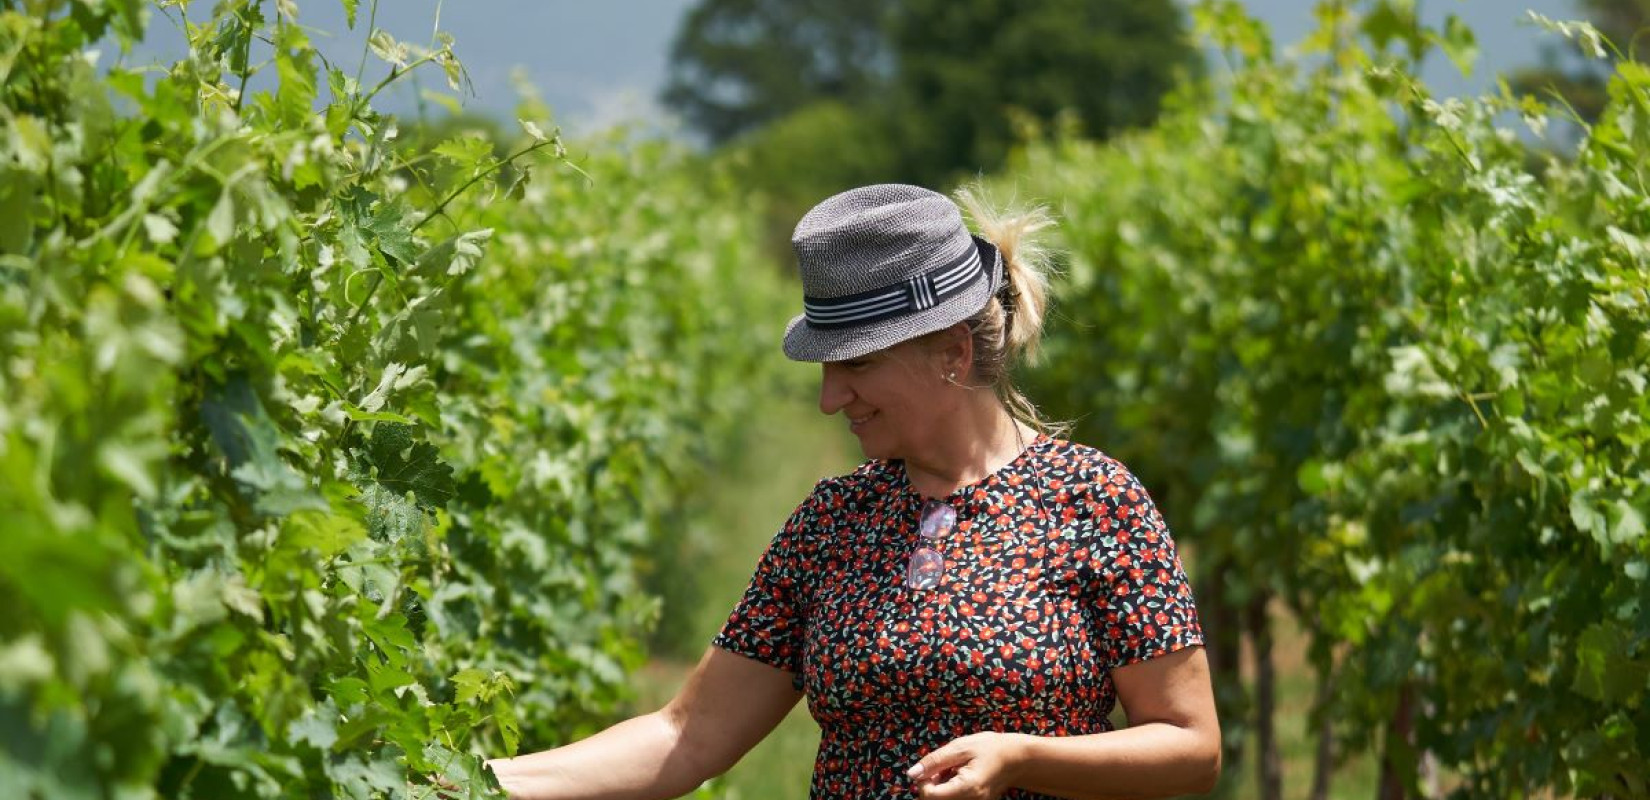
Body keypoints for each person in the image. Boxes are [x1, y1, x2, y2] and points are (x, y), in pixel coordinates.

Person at [484, 184, 1221, 799]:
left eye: (857, 366)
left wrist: (1024, 757)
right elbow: (690, 732)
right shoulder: (834, 520)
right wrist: (474, 782)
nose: (831, 399)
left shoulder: (1092, 501)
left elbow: (1191, 745)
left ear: (951, 354)